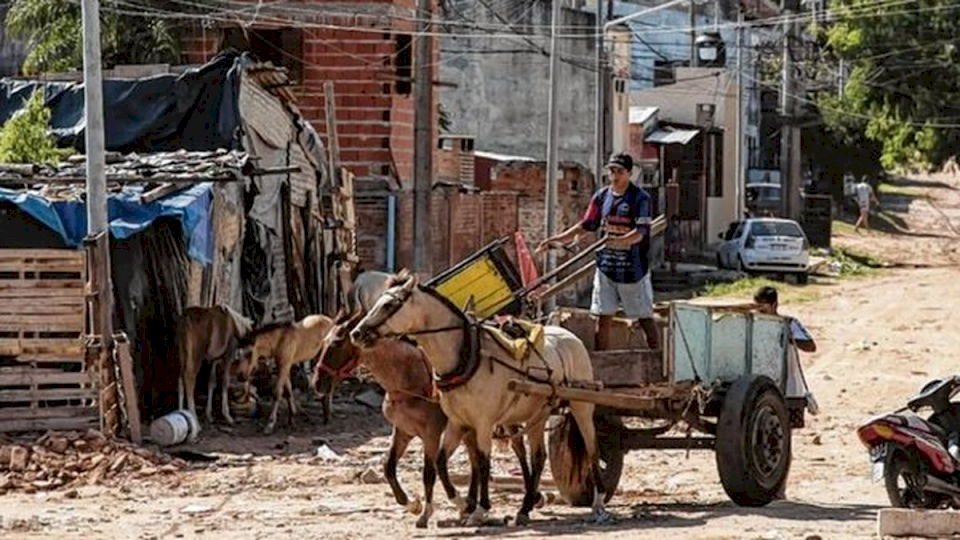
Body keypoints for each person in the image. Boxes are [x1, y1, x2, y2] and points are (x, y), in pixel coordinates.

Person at [536, 152, 658, 351]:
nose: (614, 176)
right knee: (602, 318)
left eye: (619, 171)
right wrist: (555, 240)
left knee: (644, 317)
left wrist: (620, 241)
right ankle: (603, 363)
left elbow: (641, 233)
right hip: (606, 268)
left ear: (629, 173)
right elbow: (585, 226)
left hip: (633, 270)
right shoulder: (601, 197)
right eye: (611, 171)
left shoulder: (639, 198)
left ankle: (656, 360)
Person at [753, 286, 819, 414]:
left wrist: (790, 339)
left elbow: (811, 346)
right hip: (763, 381)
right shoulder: (753, 324)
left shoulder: (789, 324)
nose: (760, 312)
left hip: (789, 384)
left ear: (774, 305)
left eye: (763, 308)